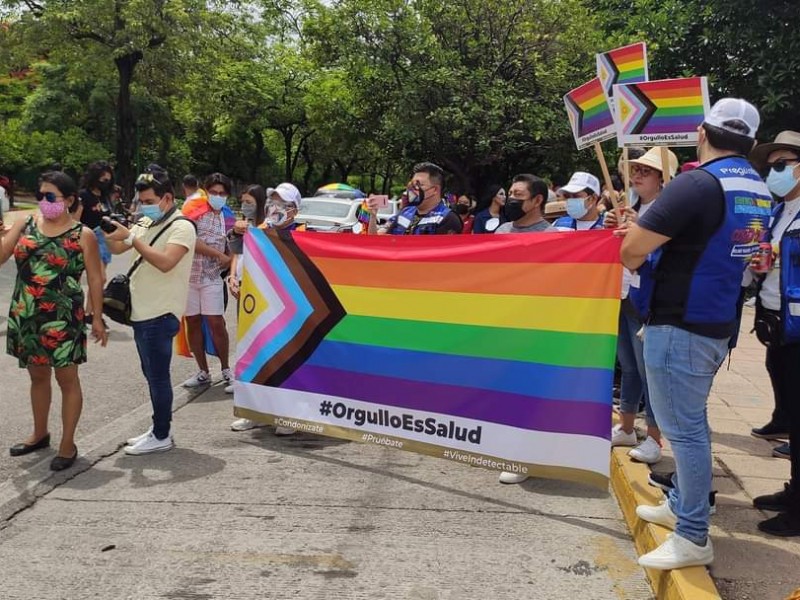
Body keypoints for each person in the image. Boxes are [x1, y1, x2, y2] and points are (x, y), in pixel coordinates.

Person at [620, 98, 772, 569]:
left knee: (684, 432)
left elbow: (632, 250)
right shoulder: (757, 187)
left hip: (680, 321)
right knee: (693, 423)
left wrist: (638, 243)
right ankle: (684, 506)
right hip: (717, 319)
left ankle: (692, 534)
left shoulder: (697, 183)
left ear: (702, 133)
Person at [0, 171, 108, 470]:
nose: (44, 202)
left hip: (63, 317)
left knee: (66, 379)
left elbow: (96, 278)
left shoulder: (81, 234)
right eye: (40, 196)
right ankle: (39, 433)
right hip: (27, 312)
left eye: (51, 196)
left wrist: (97, 317)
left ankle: (67, 442)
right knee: (37, 376)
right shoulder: (25, 222)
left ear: (69, 200)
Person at [104, 165, 197, 455]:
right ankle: (158, 426)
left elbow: (166, 262)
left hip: (161, 313)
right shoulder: (145, 224)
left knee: (158, 377)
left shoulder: (182, 226)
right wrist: (108, 229)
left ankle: (162, 434)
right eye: (141, 202)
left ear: (167, 198)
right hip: (140, 312)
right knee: (150, 373)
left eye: (149, 202)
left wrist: (132, 238)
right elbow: (119, 249)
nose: (144, 207)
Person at [605, 147, 678, 465]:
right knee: (629, 366)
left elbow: (666, 254)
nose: (636, 176)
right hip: (622, 294)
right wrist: (608, 225)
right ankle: (626, 427)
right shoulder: (628, 207)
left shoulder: (668, 213)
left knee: (650, 371)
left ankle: (654, 438)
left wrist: (638, 231)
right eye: (634, 170)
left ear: (663, 179)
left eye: (645, 171)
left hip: (648, 300)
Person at [747, 130, 800, 536]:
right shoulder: (780, 212)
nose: (774, 173)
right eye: (771, 166)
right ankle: (793, 490)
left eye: (782, 166)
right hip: (776, 321)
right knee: (790, 413)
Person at [228, 184, 302, 437]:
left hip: (290, 309)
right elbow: (237, 252)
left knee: (287, 359)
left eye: (282, 203)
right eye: (272, 202)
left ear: (294, 209)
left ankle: (289, 415)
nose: (275, 208)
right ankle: (255, 412)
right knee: (256, 357)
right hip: (258, 306)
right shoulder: (260, 231)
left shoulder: (303, 234)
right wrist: (237, 234)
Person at [181, 172, 234, 389]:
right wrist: (218, 255)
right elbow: (189, 239)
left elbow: (236, 245)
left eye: (222, 193)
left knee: (215, 322)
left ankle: (226, 369)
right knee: (192, 322)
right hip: (190, 276)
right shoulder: (193, 210)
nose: (217, 196)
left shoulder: (228, 216)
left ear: (227, 195)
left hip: (212, 277)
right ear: (206, 191)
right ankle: (203, 371)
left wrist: (229, 258)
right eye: (213, 192)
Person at [367, 163, 462, 235]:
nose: (412, 189)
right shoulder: (405, 212)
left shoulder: (447, 218)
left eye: (418, 185)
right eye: (412, 184)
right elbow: (376, 240)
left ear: (435, 190)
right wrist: (373, 216)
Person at [75, 161, 115, 324]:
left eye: (108, 180)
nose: (105, 182)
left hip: (104, 238)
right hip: (89, 237)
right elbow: (76, 219)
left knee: (98, 278)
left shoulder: (105, 198)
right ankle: (79, 310)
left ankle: (89, 312)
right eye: (102, 179)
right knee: (96, 277)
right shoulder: (84, 195)